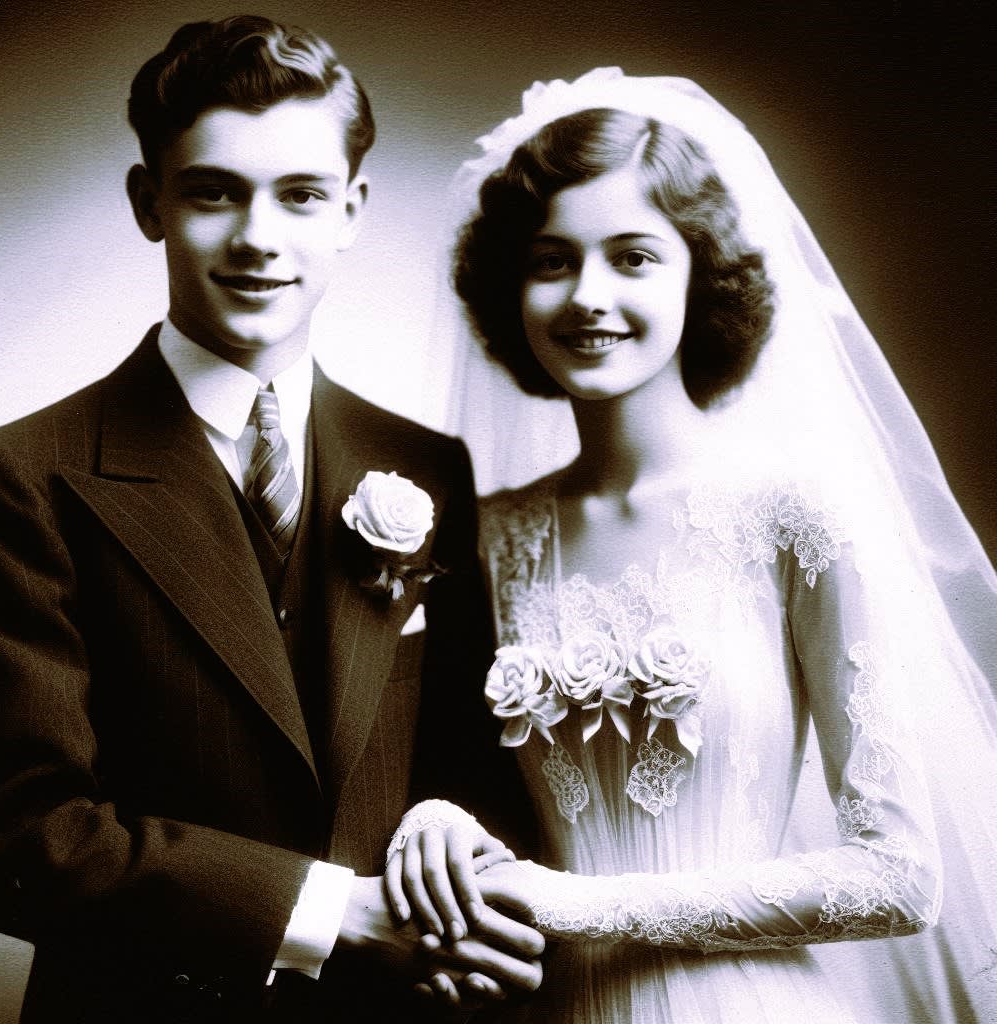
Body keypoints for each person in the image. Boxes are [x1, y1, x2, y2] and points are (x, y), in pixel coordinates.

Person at [386, 69, 997, 1022]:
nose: (588, 297)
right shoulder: (489, 534)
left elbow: (901, 878)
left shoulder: (795, 517)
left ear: (698, 274)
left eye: (634, 257)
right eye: (552, 261)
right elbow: (461, 783)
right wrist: (433, 822)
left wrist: (579, 904)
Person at [0, 16, 544, 1023]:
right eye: (213, 192)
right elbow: (22, 838)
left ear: (351, 210)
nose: (258, 238)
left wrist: (455, 877)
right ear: (148, 202)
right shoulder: (20, 478)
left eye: (301, 195)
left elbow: (472, 761)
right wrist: (331, 915)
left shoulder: (428, 468)